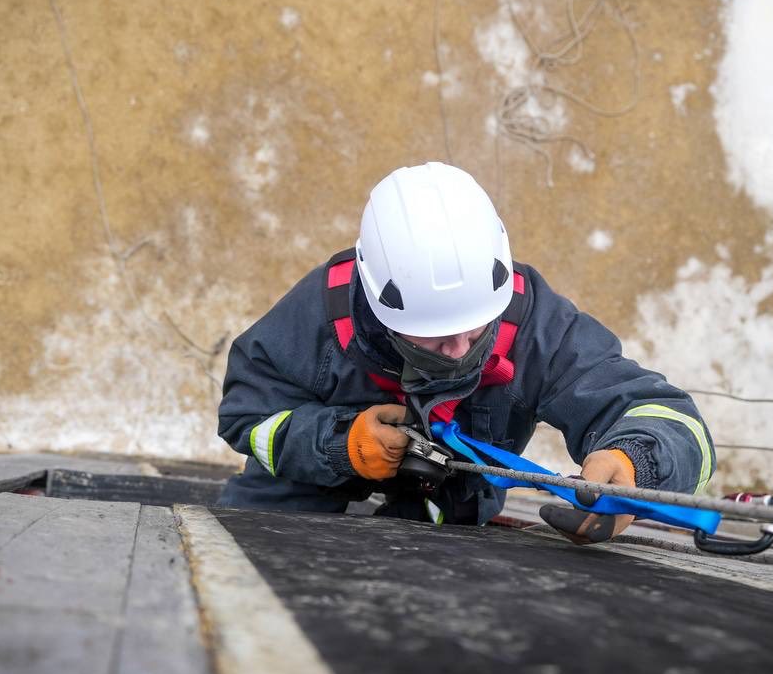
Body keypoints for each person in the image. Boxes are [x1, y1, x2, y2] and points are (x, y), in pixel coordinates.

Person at [217, 162, 715, 544]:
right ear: (376, 299)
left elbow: (667, 415)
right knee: (251, 545)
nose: (456, 349)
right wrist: (337, 444)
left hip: (452, 504)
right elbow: (248, 414)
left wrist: (636, 465)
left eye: (473, 330)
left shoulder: (537, 327)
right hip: (300, 492)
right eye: (431, 336)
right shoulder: (321, 312)